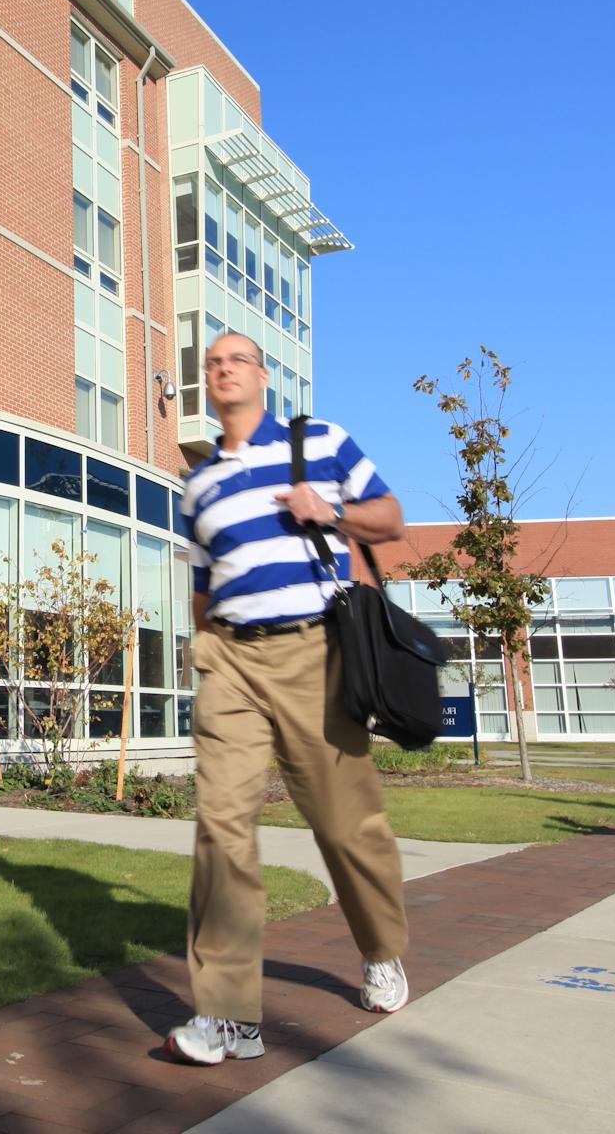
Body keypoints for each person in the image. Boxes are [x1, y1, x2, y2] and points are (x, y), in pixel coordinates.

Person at [166, 332, 410, 1066]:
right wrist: (202, 649)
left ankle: (381, 949)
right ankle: (227, 1014)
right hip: (231, 661)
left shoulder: (321, 441)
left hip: (313, 653)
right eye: (212, 363)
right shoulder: (199, 484)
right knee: (222, 827)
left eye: (236, 359)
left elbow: (391, 518)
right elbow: (204, 585)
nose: (222, 369)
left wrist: (328, 512)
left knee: (346, 826)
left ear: (262, 376)